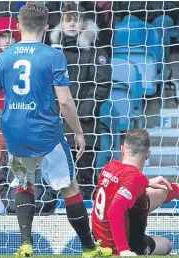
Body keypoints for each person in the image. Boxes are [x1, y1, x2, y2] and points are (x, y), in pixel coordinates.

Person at [0, 2, 112, 258]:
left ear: (18, 27)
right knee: (69, 188)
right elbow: (64, 101)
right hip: (47, 133)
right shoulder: (53, 55)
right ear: (46, 26)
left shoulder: (2, 57)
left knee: (24, 184)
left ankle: (26, 244)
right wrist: (78, 131)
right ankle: (88, 248)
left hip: (15, 134)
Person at [91, 129, 179, 256]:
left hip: (99, 240)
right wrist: (123, 250)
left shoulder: (110, 166)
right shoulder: (136, 178)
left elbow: (127, 182)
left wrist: (146, 182)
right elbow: (115, 211)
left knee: (153, 190)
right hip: (120, 245)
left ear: (122, 149)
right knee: (166, 244)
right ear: (148, 155)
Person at [49, 5, 111, 200]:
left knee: (84, 178)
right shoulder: (50, 54)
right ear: (61, 23)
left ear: (84, 23)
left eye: (76, 19)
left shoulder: (95, 53)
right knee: (54, 180)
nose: (72, 23)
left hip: (85, 127)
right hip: (54, 127)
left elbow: (101, 87)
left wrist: (79, 115)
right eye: (68, 19)